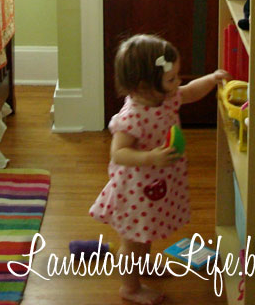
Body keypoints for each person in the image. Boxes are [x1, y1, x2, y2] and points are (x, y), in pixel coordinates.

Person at [89, 34, 231, 304]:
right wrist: (150, 157)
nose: (178, 83)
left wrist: (211, 79)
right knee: (133, 243)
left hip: (156, 185)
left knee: (147, 231)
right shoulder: (132, 116)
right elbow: (118, 153)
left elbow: (189, 92)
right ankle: (130, 288)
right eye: (171, 79)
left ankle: (143, 266)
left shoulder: (164, 97)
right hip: (135, 191)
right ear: (144, 85)